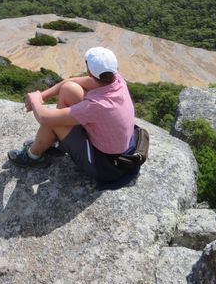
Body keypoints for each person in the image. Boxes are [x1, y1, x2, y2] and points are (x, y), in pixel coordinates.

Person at [8, 46, 137, 184]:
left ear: (89, 71)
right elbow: (70, 83)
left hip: (104, 165)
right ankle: (54, 142)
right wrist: (42, 95)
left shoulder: (97, 106)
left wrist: (34, 100)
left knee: (54, 121)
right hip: (116, 151)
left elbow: (44, 118)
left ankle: (32, 156)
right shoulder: (117, 80)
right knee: (69, 89)